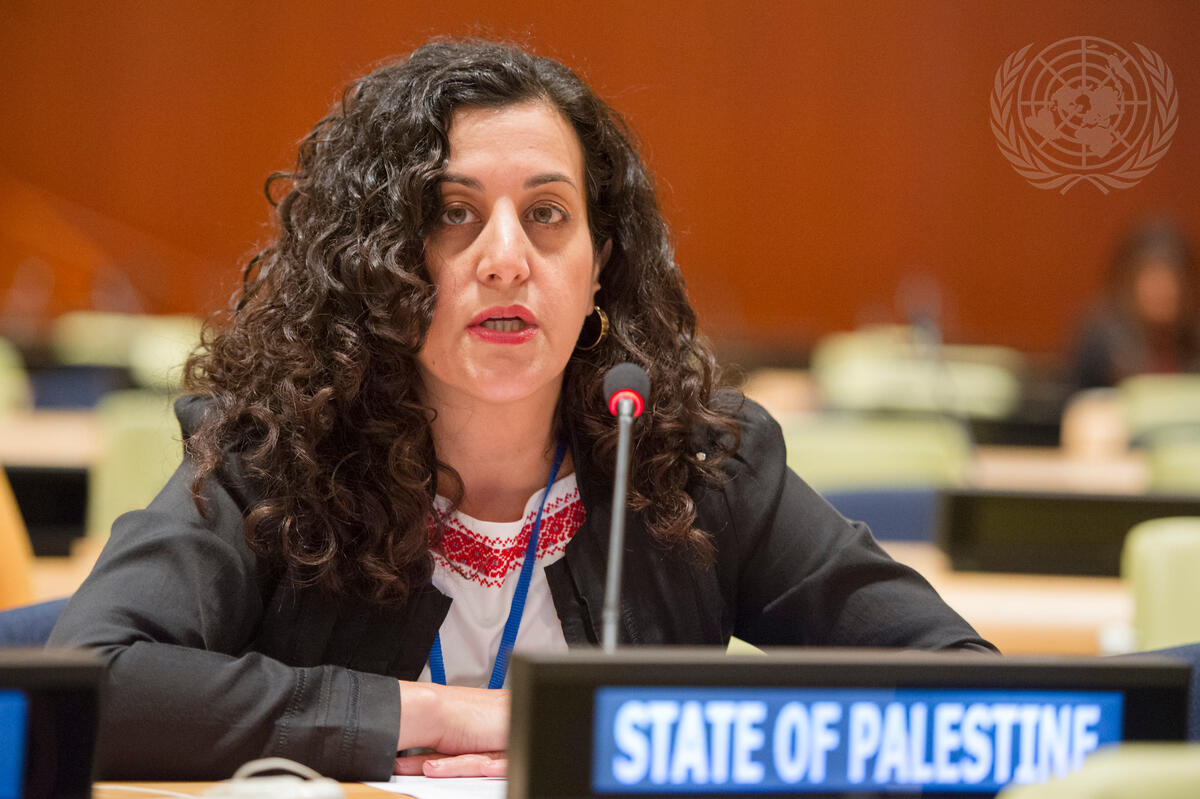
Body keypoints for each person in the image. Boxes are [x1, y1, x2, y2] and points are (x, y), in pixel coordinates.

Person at [49, 38, 994, 782]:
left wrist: (651, 733)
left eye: (546, 214)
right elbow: (93, 677)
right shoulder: (277, 458)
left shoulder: (697, 463)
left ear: (599, 265)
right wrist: (444, 715)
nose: (506, 258)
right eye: (452, 212)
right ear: (378, 262)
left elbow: (965, 693)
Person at [1070, 219, 1200, 391]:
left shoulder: (1195, 334)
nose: (1163, 290)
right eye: (1152, 279)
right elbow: (1077, 400)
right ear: (1130, 283)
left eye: (1172, 280)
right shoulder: (1100, 340)